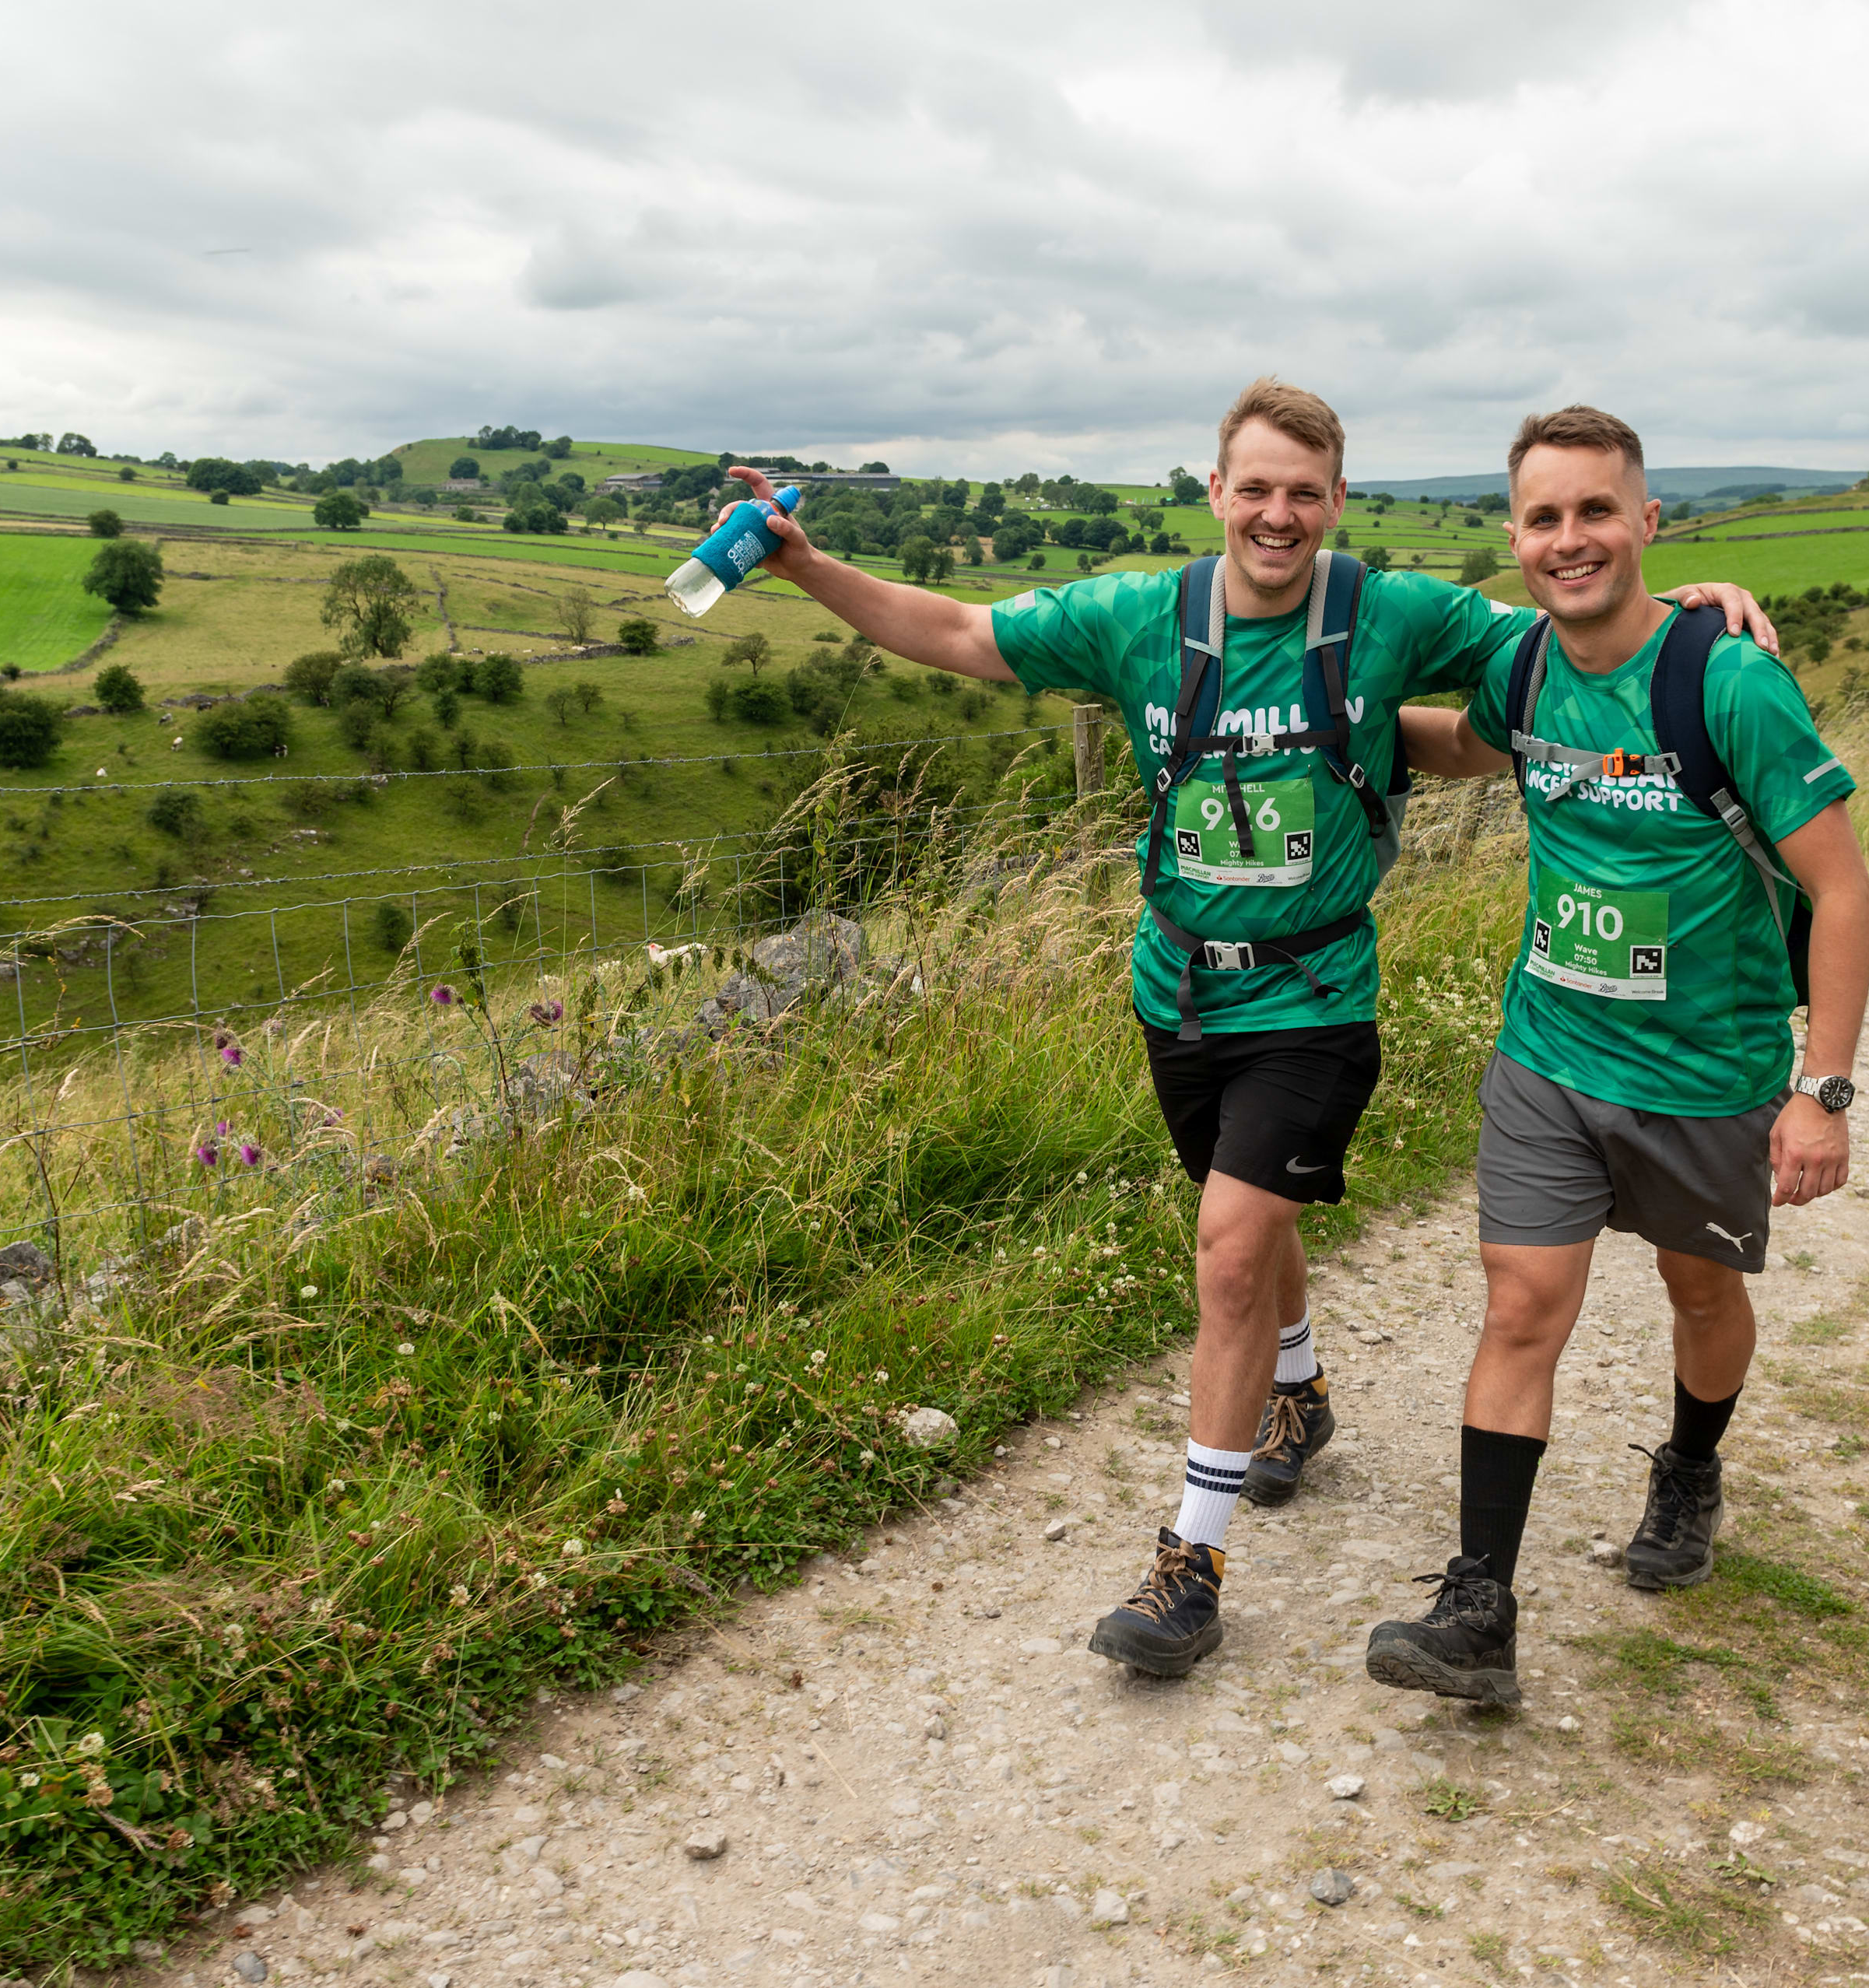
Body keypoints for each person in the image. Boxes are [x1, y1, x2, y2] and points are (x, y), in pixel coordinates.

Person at [716, 380, 1776, 1678]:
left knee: (1226, 1251)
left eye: (1306, 492)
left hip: (1318, 997)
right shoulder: (1135, 617)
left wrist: (1697, 619)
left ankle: (1188, 1572)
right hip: (1179, 989)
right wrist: (810, 567)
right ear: (1214, 492)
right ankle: (1302, 1393)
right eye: (1256, 488)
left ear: (1337, 502)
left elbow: (1568, 625)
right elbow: (956, 630)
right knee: (1245, 1225)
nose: (1279, 513)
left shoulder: (1385, 612)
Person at [1365, 405, 1869, 1706]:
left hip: (1708, 1076)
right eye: (1545, 517)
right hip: (1551, 1056)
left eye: (1597, 510)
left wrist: (1820, 1092)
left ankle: (1692, 1470)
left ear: (1649, 523)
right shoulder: (1526, 670)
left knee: (1700, 1299)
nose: (1570, 537)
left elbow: (1847, 893)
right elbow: (1467, 751)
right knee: (1521, 1304)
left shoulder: (1728, 680)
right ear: (1516, 538)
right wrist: (1342, 722)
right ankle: (1480, 1603)